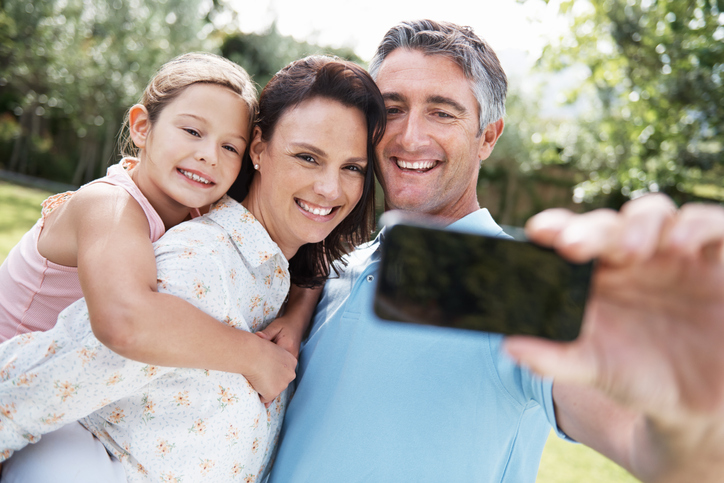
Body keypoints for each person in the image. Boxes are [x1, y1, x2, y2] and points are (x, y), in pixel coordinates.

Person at [266, 20, 724, 482]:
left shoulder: (514, 288)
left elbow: (648, 449)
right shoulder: (340, 267)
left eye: (443, 112)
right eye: (393, 109)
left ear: (488, 136)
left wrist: (691, 410)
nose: (409, 136)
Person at [0, 55, 386, 482]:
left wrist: (296, 317)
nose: (330, 187)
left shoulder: (233, 239)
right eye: (308, 157)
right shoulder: (171, 247)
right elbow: (112, 332)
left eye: (352, 168)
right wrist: (257, 356)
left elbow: (309, 259)